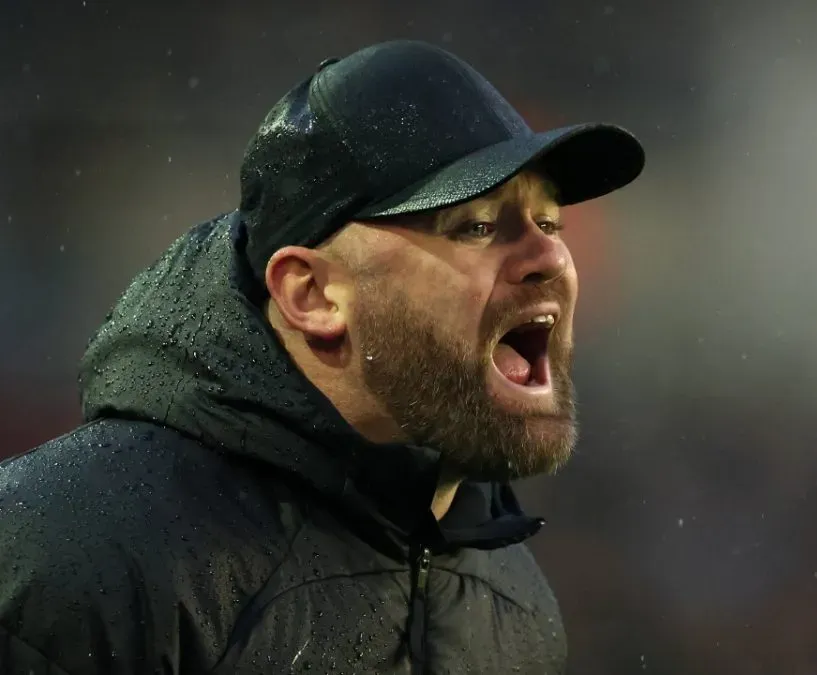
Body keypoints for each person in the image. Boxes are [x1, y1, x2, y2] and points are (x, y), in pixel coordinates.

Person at [0, 39, 644, 674]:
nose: (552, 257)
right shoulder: (70, 553)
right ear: (311, 295)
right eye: (476, 225)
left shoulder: (515, 604)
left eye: (549, 223)